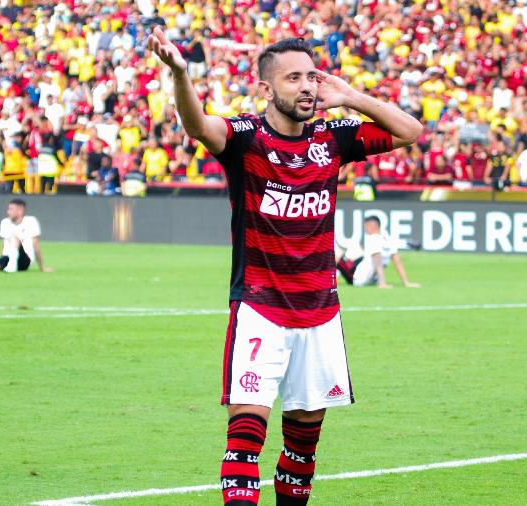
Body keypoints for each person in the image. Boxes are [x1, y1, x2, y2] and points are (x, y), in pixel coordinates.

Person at [147, 31, 422, 505]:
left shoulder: (333, 138)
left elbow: (409, 131)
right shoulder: (245, 138)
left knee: (304, 441)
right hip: (261, 307)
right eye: (293, 78)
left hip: (320, 312)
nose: (307, 87)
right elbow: (198, 127)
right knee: (246, 433)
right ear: (267, 88)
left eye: (311, 76)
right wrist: (179, 75)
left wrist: (351, 97)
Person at [336, 216, 419, 289]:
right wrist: (406, 282)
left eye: (365, 227)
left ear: (370, 226)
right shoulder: (388, 238)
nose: (365, 230)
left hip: (357, 279)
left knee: (336, 256)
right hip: (370, 278)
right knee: (356, 252)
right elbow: (398, 262)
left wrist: (382, 283)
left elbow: (378, 262)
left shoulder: (373, 238)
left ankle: (330, 277)